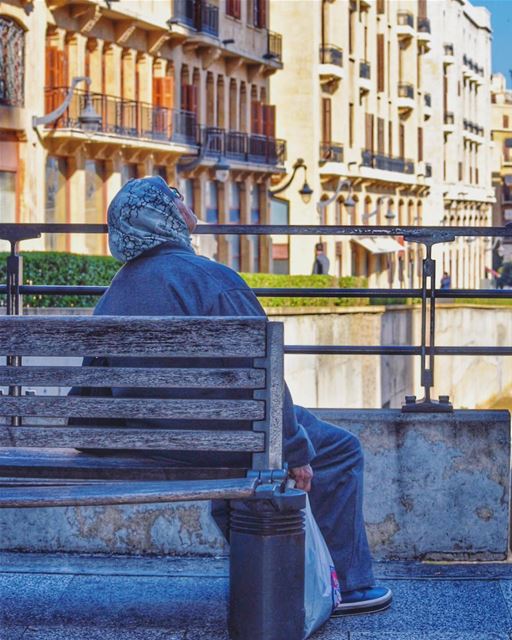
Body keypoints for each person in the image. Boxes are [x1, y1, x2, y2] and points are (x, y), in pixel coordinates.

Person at [95, 176, 392, 616]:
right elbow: (265, 380)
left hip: (149, 444)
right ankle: (348, 586)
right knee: (341, 450)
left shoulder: (114, 294)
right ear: (163, 217)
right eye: (176, 199)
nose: (184, 204)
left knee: (243, 435)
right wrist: (294, 449)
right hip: (226, 443)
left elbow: (91, 395)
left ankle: (270, 571)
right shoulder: (214, 281)